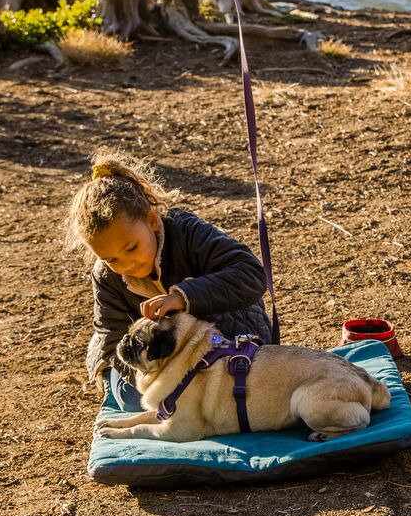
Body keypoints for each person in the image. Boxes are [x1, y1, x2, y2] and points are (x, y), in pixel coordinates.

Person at [63, 150, 273, 406]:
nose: (126, 264)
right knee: (129, 398)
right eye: (112, 259)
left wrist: (182, 298)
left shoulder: (187, 233)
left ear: (151, 220)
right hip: (156, 364)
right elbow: (112, 337)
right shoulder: (105, 275)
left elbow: (251, 274)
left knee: (236, 380)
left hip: (224, 340)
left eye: (131, 248)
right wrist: (159, 374)